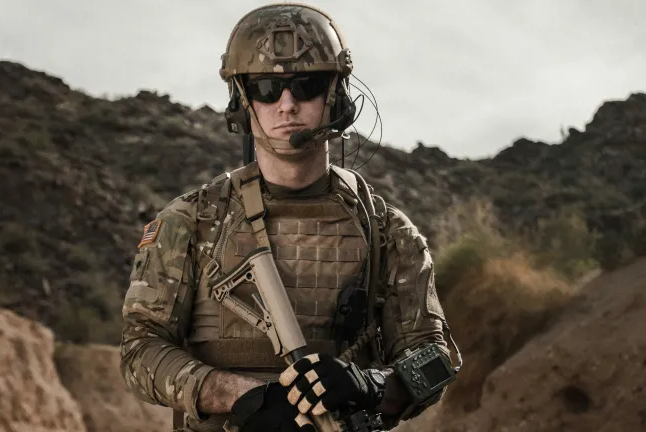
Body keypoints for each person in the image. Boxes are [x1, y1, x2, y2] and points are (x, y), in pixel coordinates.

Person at [120, 3, 459, 432]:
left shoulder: (386, 231)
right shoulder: (191, 222)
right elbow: (139, 350)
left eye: (307, 84)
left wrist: (369, 383)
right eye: (266, 87)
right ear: (244, 99)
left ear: (334, 94)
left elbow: (434, 360)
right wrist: (242, 397)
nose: (287, 104)